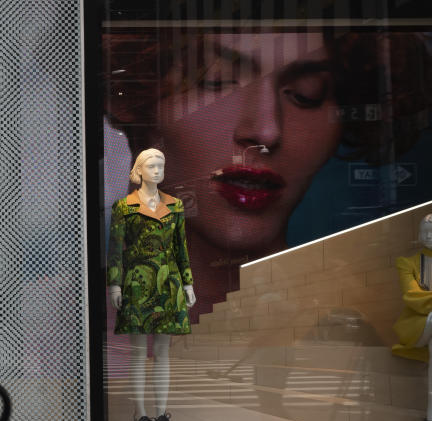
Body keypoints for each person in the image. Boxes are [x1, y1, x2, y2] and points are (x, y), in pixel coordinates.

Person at [104, 30, 432, 318]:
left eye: (306, 94)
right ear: (136, 97)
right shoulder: (68, 320)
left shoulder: (367, 312)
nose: (266, 131)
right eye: (216, 79)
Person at [108, 148, 195, 421]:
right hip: (137, 284)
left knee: (162, 353)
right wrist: (115, 285)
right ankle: (140, 416)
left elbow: (180, 248)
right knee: (136, 354)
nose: (158, 170)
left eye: (161, 165)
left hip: (168, 284)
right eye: (152, 165)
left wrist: (187, 283)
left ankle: (161, 417)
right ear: (140, 170)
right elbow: (116, 250)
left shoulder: (176, 206)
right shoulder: (124, 207)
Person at [391, 214, 432, 421]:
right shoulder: (407, 263)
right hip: (419, 324)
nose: (429, 237)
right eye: (425, 232)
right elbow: (413, 296)